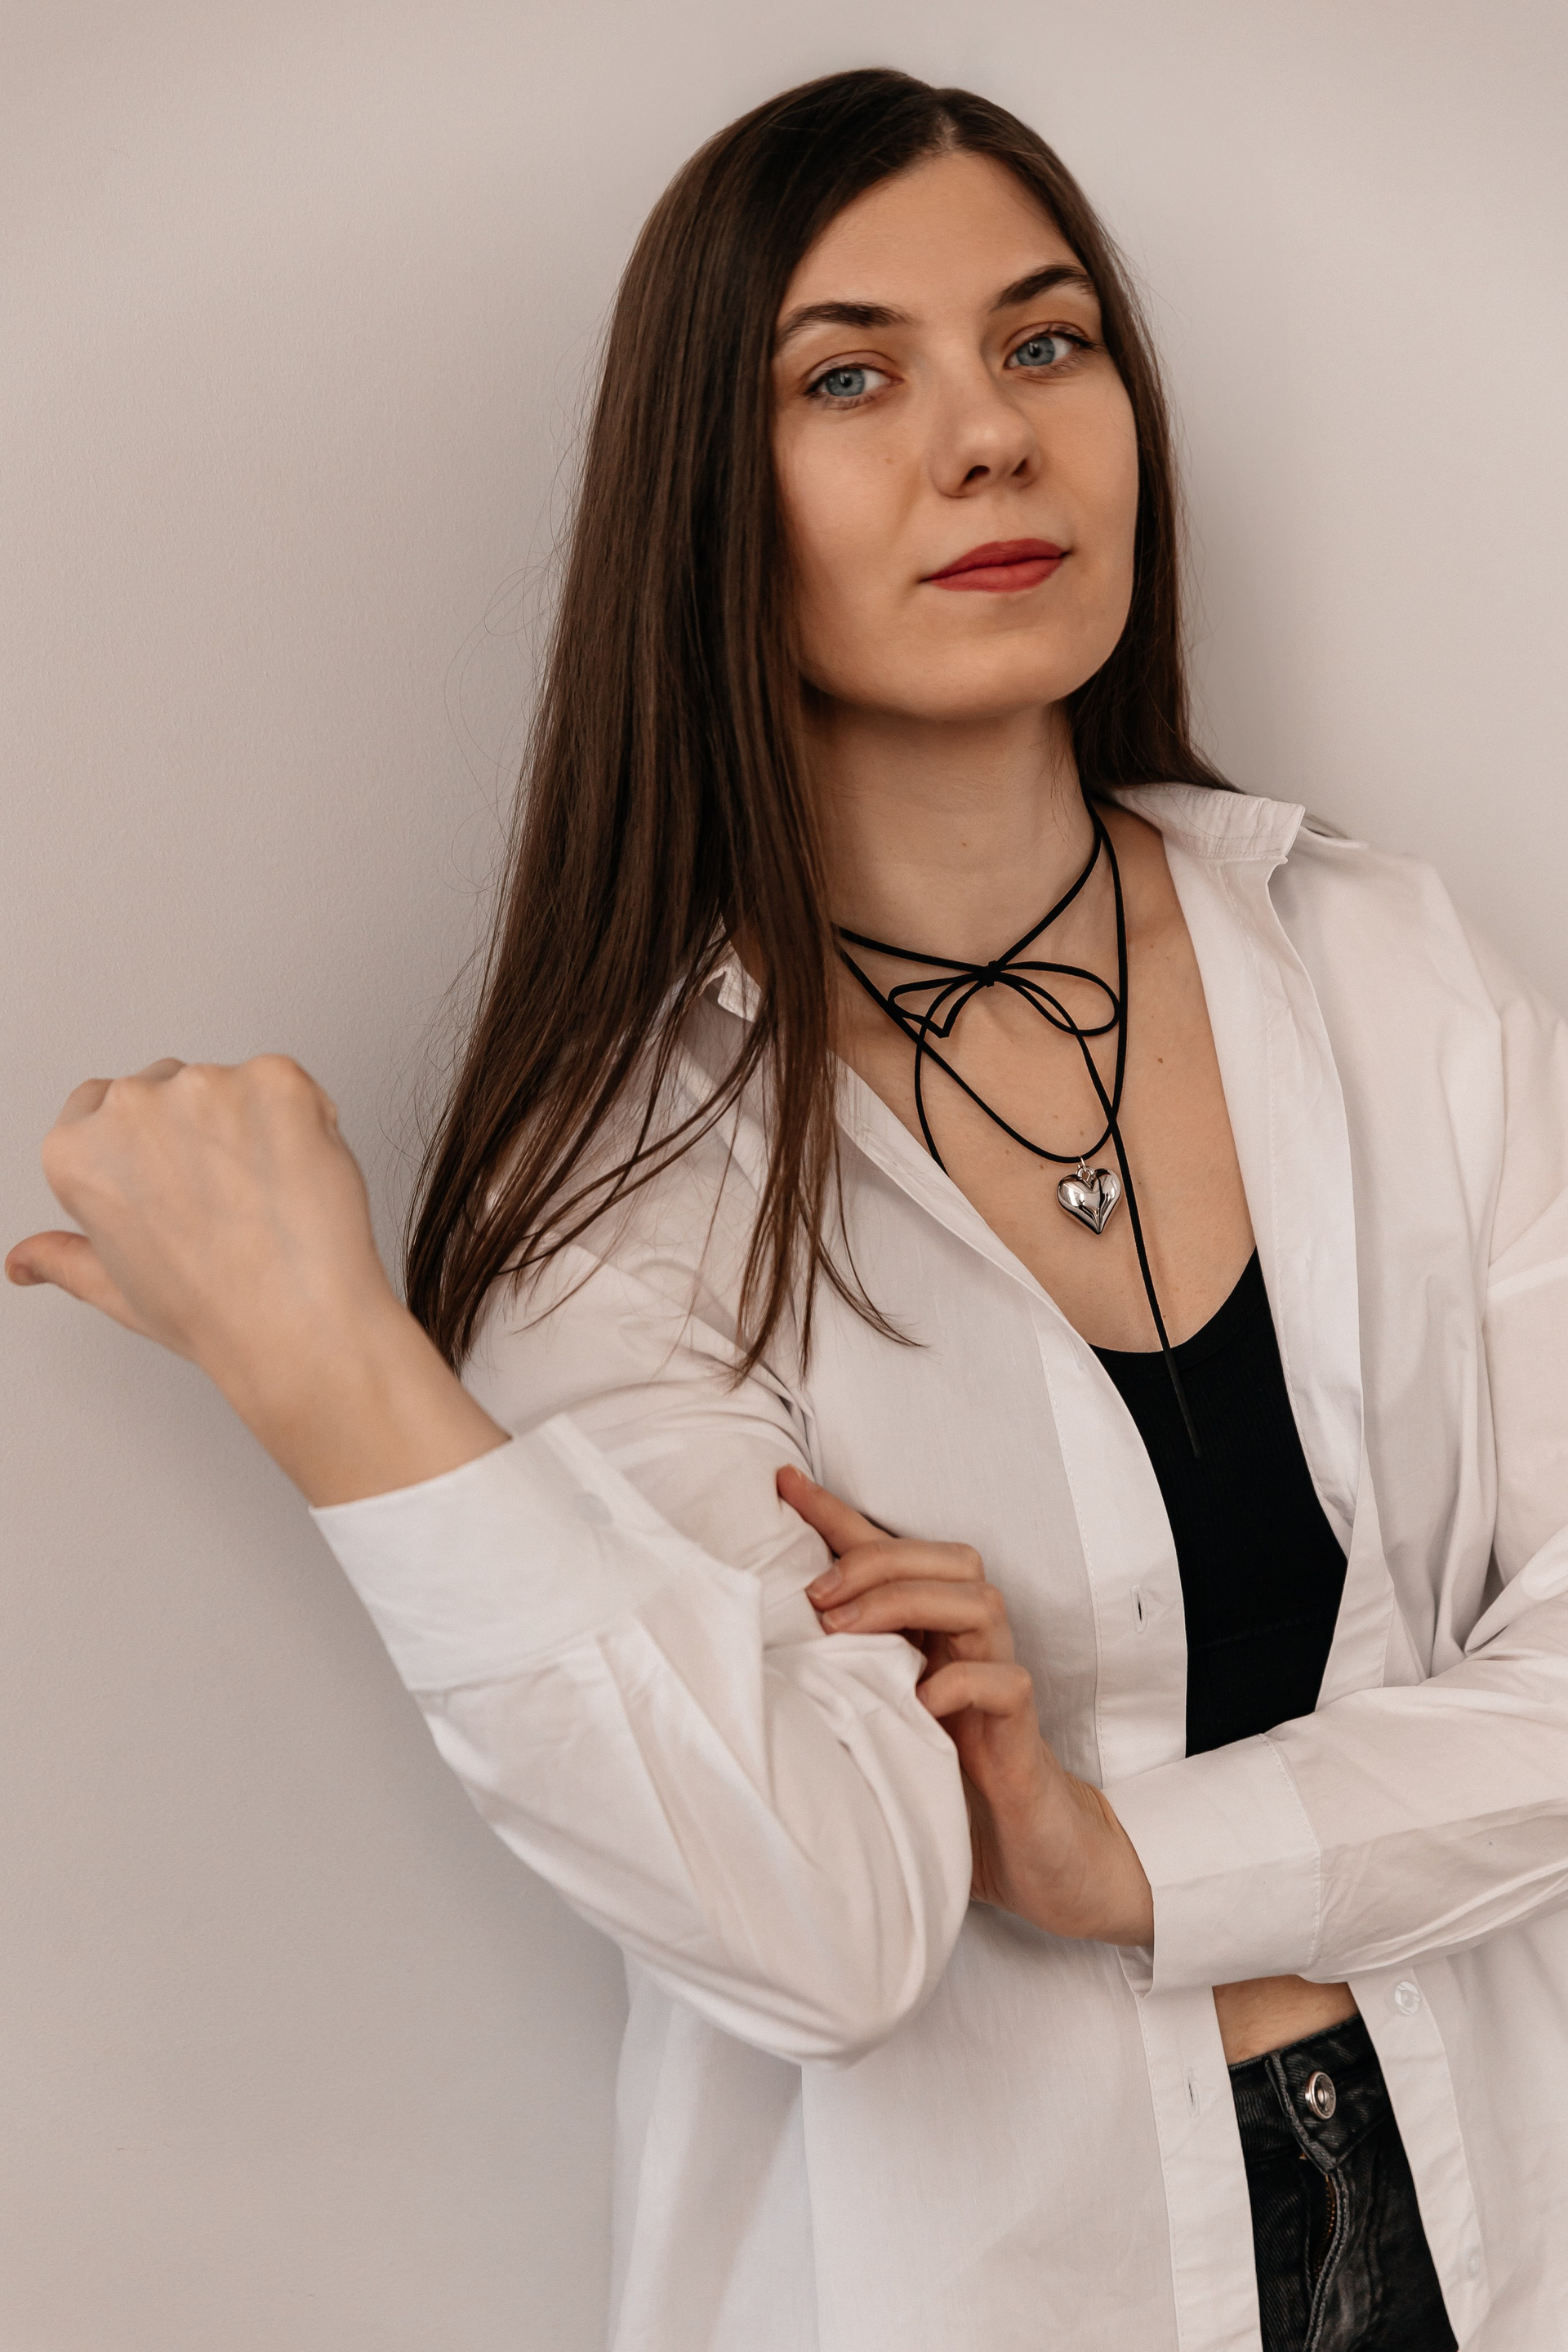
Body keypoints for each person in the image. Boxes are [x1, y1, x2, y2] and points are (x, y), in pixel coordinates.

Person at [8, 65, 1566, 2352]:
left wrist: (1121, 1859)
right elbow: (822, 1929)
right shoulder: (628, 1176)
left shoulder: (1380, 963)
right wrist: (339, 1383)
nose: (992, 437)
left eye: (1045, 342)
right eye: (852, 377)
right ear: (705, 499)